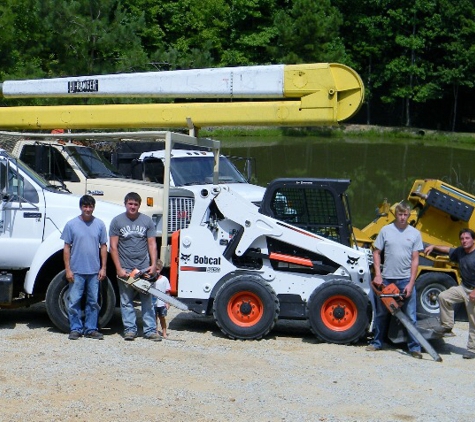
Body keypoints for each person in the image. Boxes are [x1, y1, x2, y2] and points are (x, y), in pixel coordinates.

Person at [366, 201, 424, 358]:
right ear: (395, 214)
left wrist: (411, 283)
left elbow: (415, 260)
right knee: (381, 314)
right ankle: (377, 343)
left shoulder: (414, 234)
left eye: (406, 215)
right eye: (400, 214)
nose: (403, 218)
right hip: (386, 279)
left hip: (405, 279)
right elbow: (376, 252)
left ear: (409, 215)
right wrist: (378, 274)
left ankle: (415, 347)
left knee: (410, 315)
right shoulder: (386, 230)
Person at [109, 192, 161, 341]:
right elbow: (113, 246)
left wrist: (153, 265)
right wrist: (118, 268)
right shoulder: (117, 221)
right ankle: (130, 330)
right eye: (130, 204)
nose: (133, 206)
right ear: (125, 204)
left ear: (139, 205)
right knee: (126, 301)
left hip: (143, 269)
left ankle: (150, 330)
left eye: (135, 204)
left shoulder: (147, 221)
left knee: (147, 300)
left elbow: (152, 244)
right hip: (125, 269)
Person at [424, 228, 475, 359]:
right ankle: (447, 326)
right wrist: (434, 246)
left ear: (473, 240)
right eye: (462, 239)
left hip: (474, 290)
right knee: (443, 297)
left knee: (473, 321)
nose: (464, 241)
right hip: (463, 287)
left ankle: (472, 349)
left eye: (467, 238)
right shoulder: (460, 251)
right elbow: (447, 250)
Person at [61, 194, 107, 340]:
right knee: (74, 301)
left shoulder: (100, 225)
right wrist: (68, 269)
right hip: (76, 271)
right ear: (81, 207)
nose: (88, 209)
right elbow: (66, 248)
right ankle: (75, 328)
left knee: (93, 302)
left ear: (94, 207)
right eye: (85, 206)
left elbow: (103, 246)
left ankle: (91, 329)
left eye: (90, 206)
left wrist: (103, 267)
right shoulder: (71, 225)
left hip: (94, 271)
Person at [153, 259, 171, 338]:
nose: (156, 271)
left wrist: (167, 302)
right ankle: (156, 331)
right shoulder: (151, 279)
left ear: (160, 269)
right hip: (153, 303)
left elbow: (167, 292)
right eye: (155, 269)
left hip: (162, 303)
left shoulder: (164, 279)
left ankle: (164, 332)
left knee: (162, 318)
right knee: (154, 318)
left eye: (157, 269)